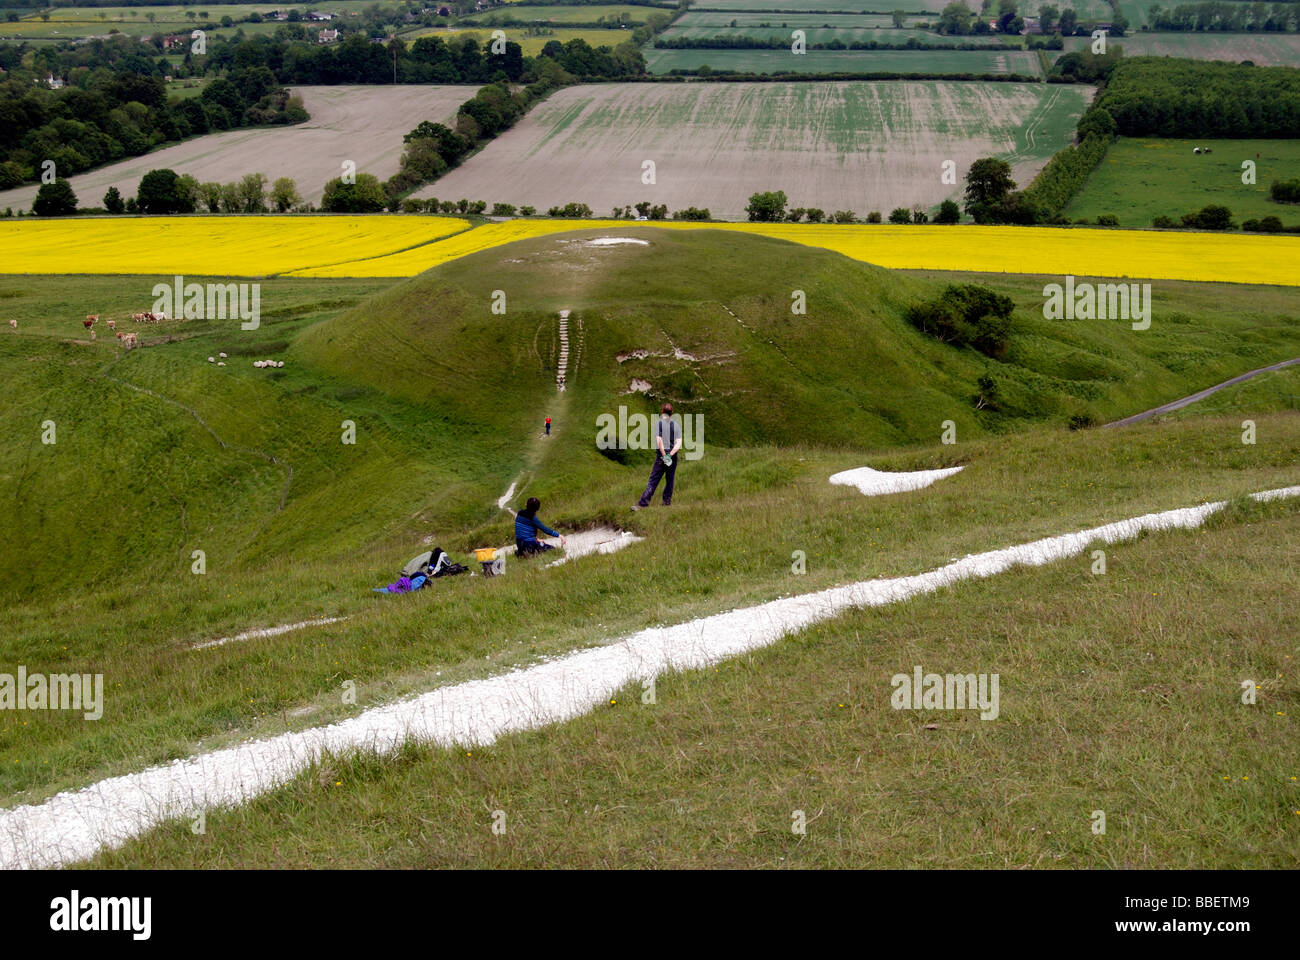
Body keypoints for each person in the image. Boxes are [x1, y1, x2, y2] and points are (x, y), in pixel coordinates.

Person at [633, 402, 681, 510]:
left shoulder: (659, 424)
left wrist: (664, 456)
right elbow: (678, 443)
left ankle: (642, 504)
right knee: (670, 480)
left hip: (661, 457)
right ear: (671, 413)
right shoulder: (676, 425)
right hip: (672, 457)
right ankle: (666, 503)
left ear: (662, 411)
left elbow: (659, 441)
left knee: (653, 480)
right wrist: (670, 455)